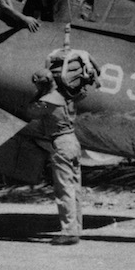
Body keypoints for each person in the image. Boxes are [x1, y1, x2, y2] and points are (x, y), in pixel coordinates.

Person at [29, 41, 100, 245]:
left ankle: (68, 232)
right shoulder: (65, 97)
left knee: (64, 189)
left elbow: (30, 111)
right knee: (74, 187)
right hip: (73, 143)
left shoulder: (48, 101)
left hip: (61, 144)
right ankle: (75, 228)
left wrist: (38, 93)